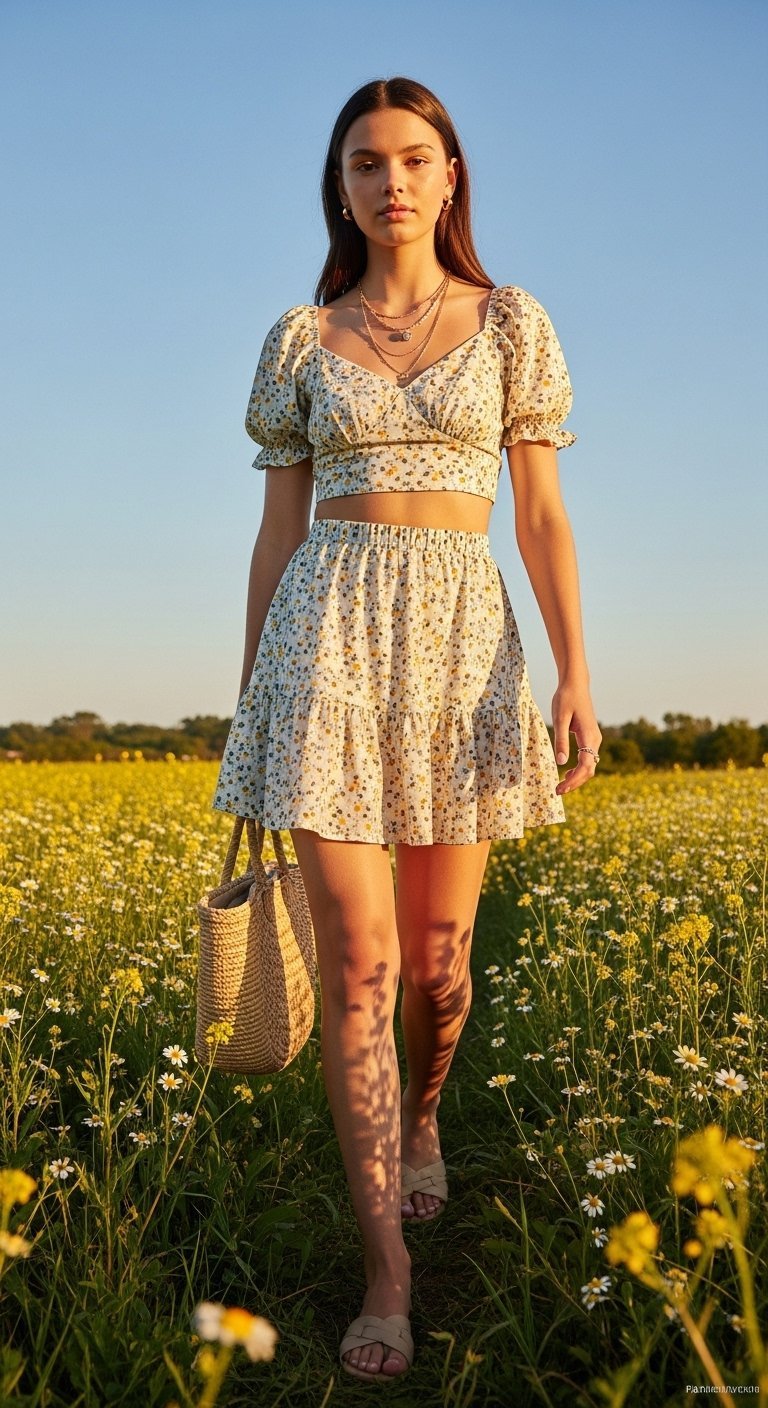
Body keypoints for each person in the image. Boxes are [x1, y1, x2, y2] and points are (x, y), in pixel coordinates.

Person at [212, 75, 601, 1383]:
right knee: (361, 972)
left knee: (438, 965)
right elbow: (276, 534)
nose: (391, 181)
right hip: (325, 646)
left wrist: (575, 674)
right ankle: (387, 1268)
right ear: (342, 185)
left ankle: (426, 1114)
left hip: (461, 652)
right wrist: (252, 705)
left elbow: (540, 517)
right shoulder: (297, 340)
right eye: (365, 162)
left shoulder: (512, 325)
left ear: (449, 177)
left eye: (415, 158)